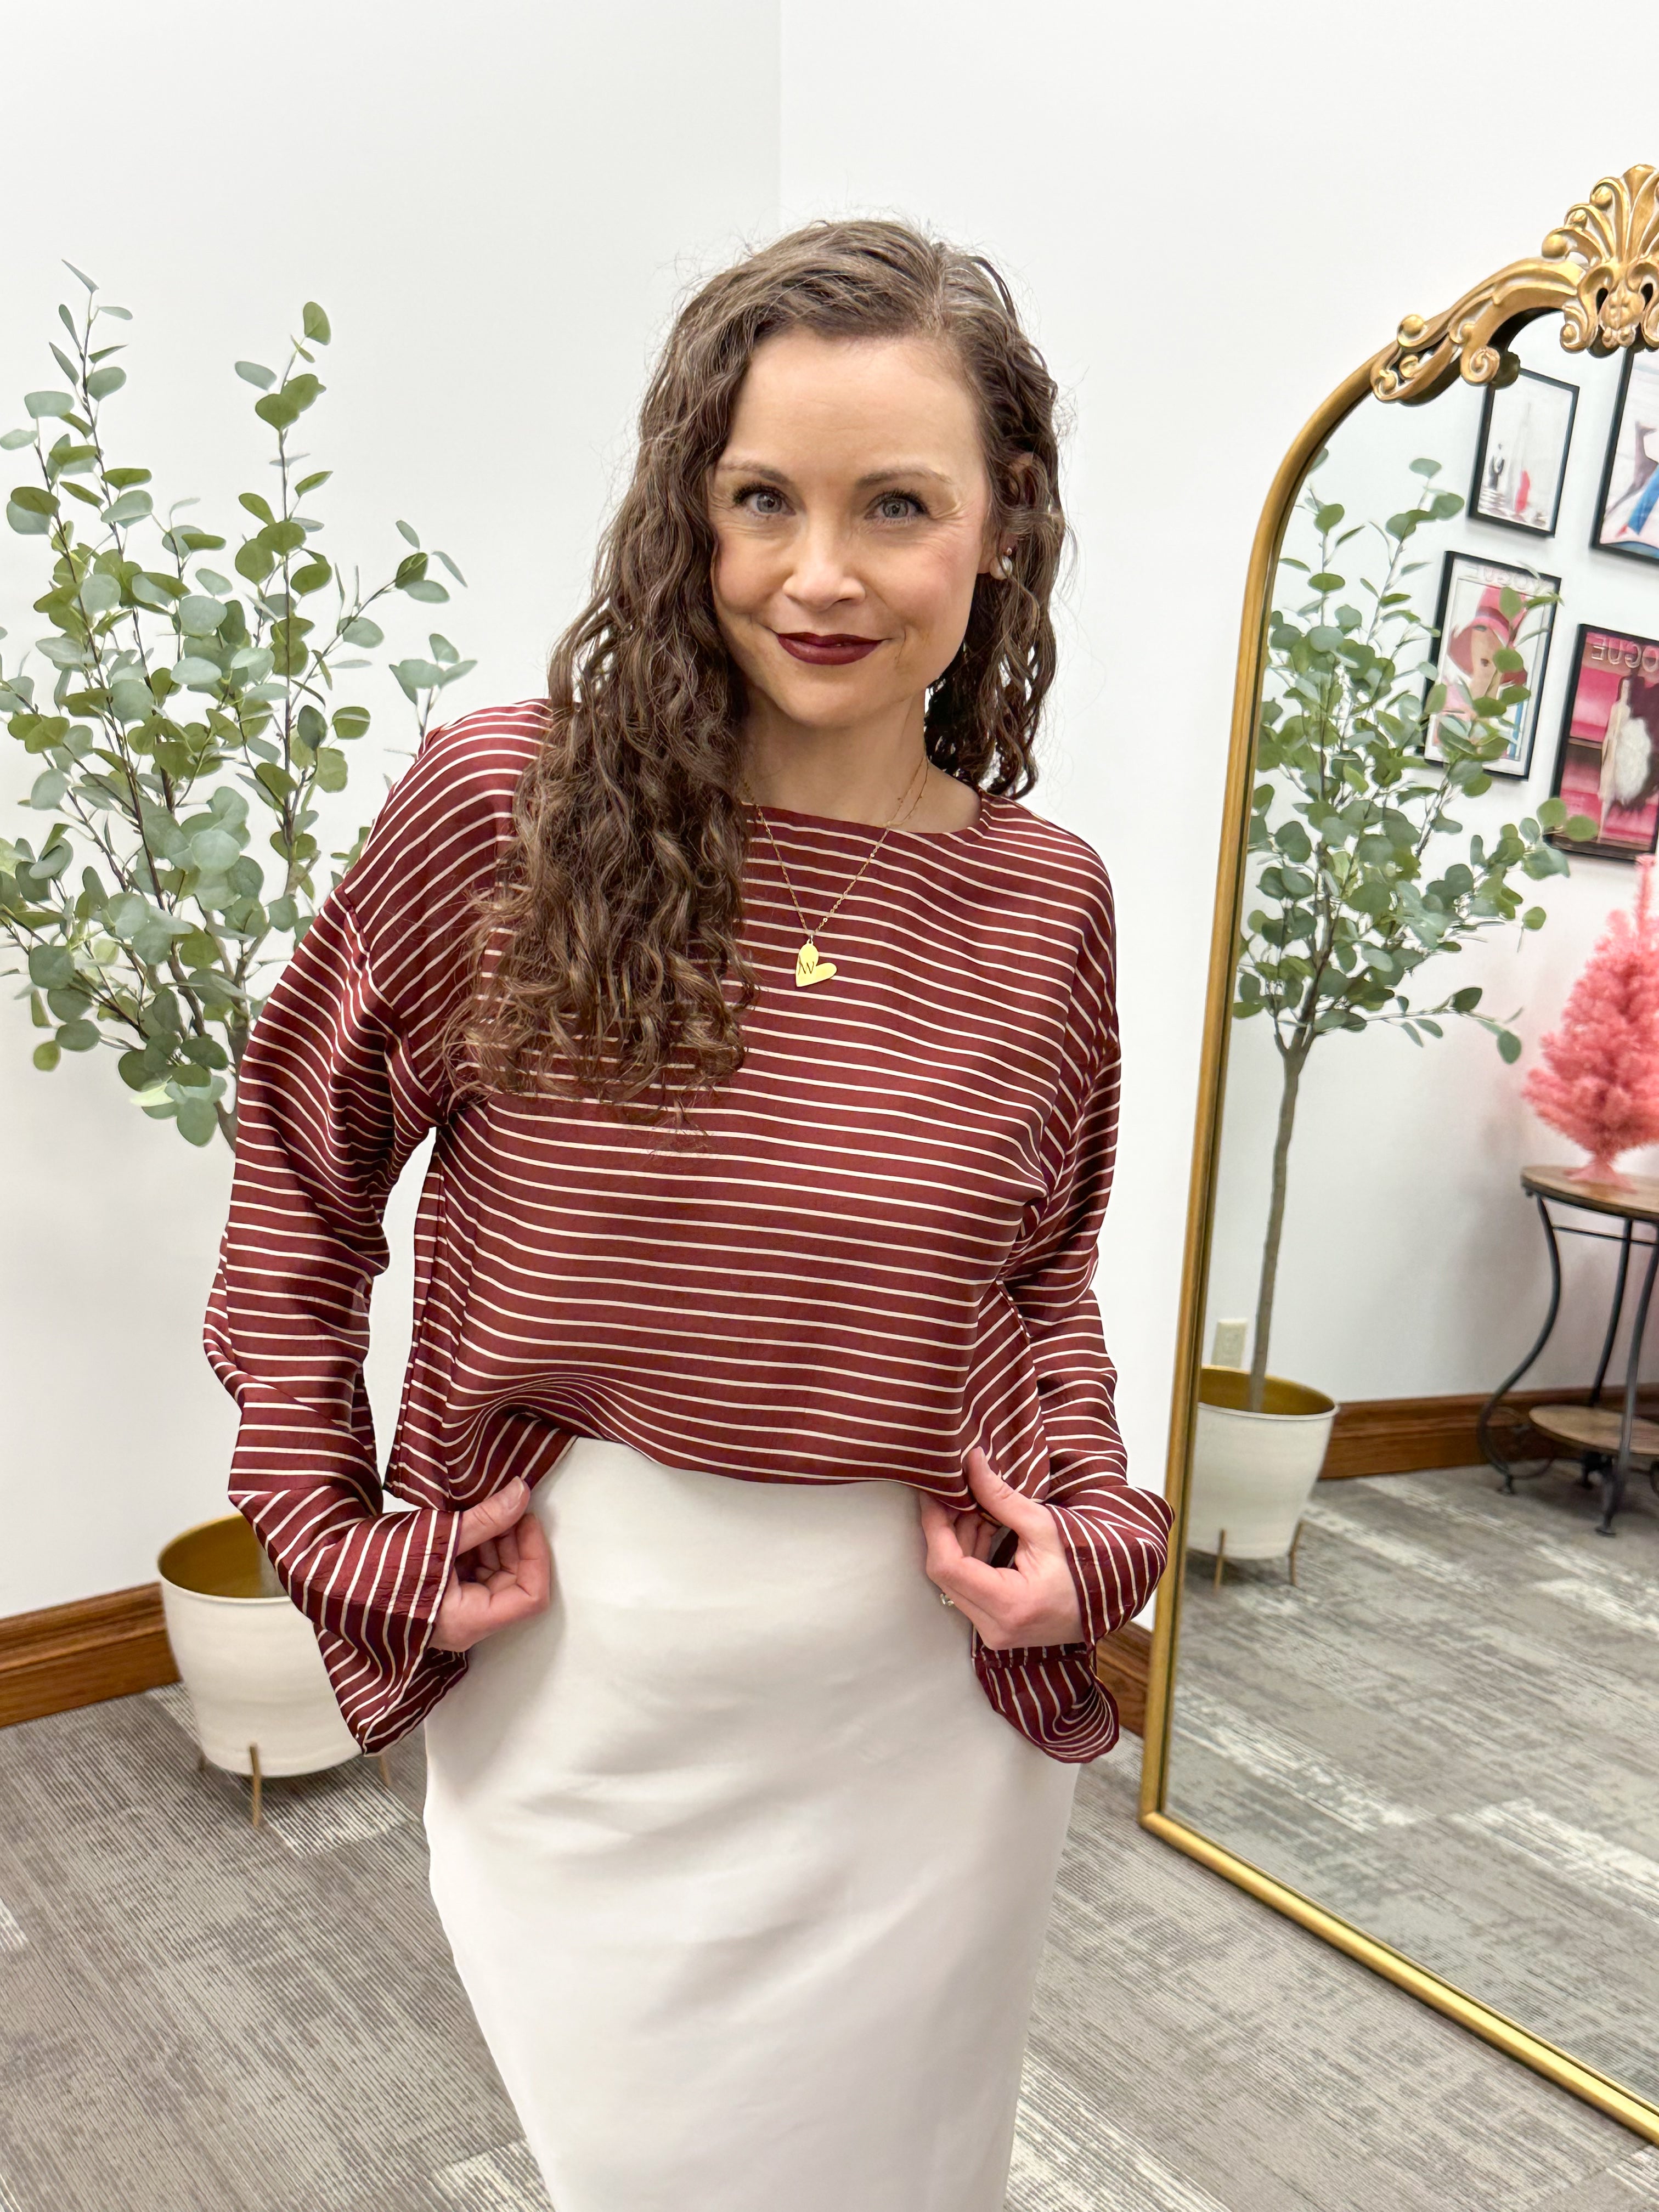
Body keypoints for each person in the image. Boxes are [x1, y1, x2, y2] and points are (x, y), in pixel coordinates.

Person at [204, 219, 1172, 2212]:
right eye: (760, 501)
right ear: (687, 517)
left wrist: (1094, 1533)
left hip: (921, 1720)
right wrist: (314, 1518)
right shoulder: (504, 810)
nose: (819, 574)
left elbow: (1039, 1271)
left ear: (1002, 532)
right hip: (588, 1693)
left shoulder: (1043, 902)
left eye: (896, 505)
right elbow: (302, 1170)